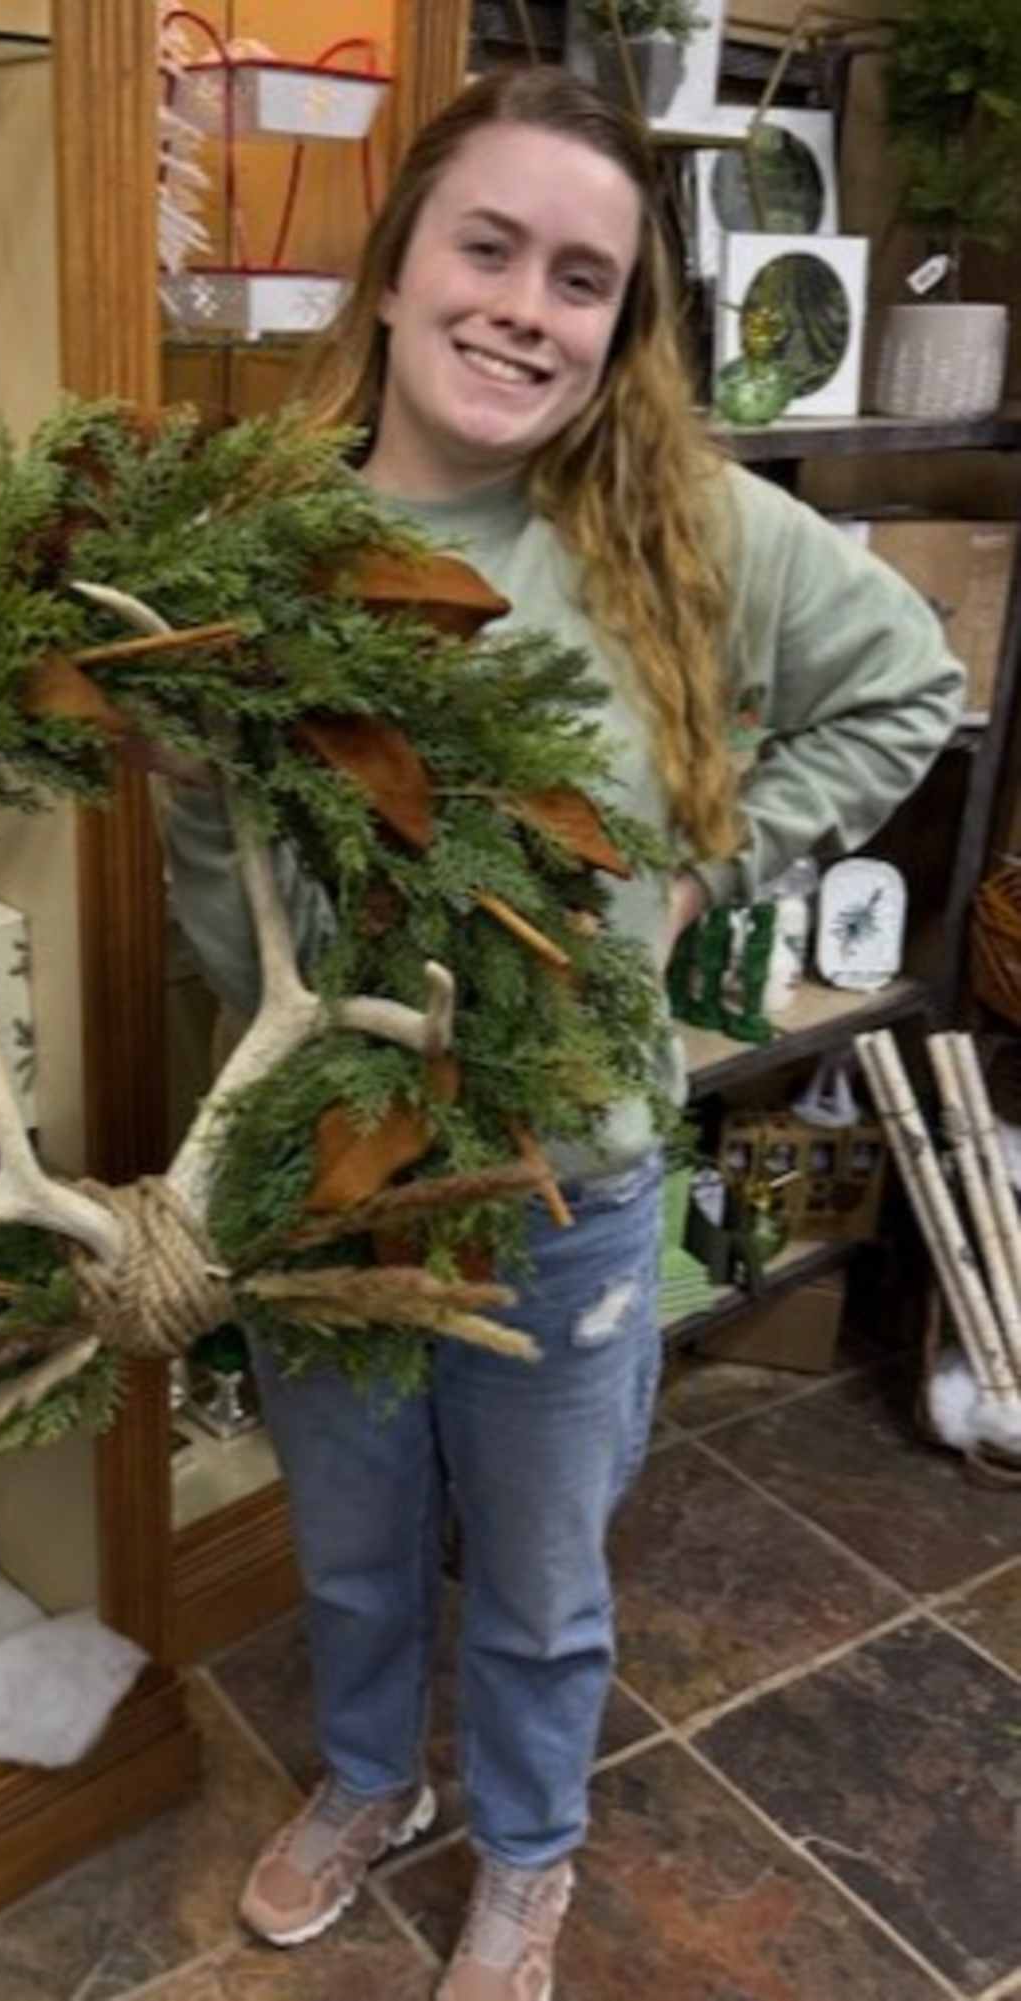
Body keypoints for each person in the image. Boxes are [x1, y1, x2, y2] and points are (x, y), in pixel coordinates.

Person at [161, 64, 962, 2001]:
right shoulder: (261, 535)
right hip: (327, 1187)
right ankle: (374, 1782)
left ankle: (529, 1845)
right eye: (491, 246)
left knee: (534, 1579)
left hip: (563, 1178)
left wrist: (706, 858)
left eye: (583, 276)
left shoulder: (677, 526)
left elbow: (910, 689)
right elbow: (212, 852)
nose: (528, 303)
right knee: (348, 1544)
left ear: (624, 324)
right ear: (399, 267)